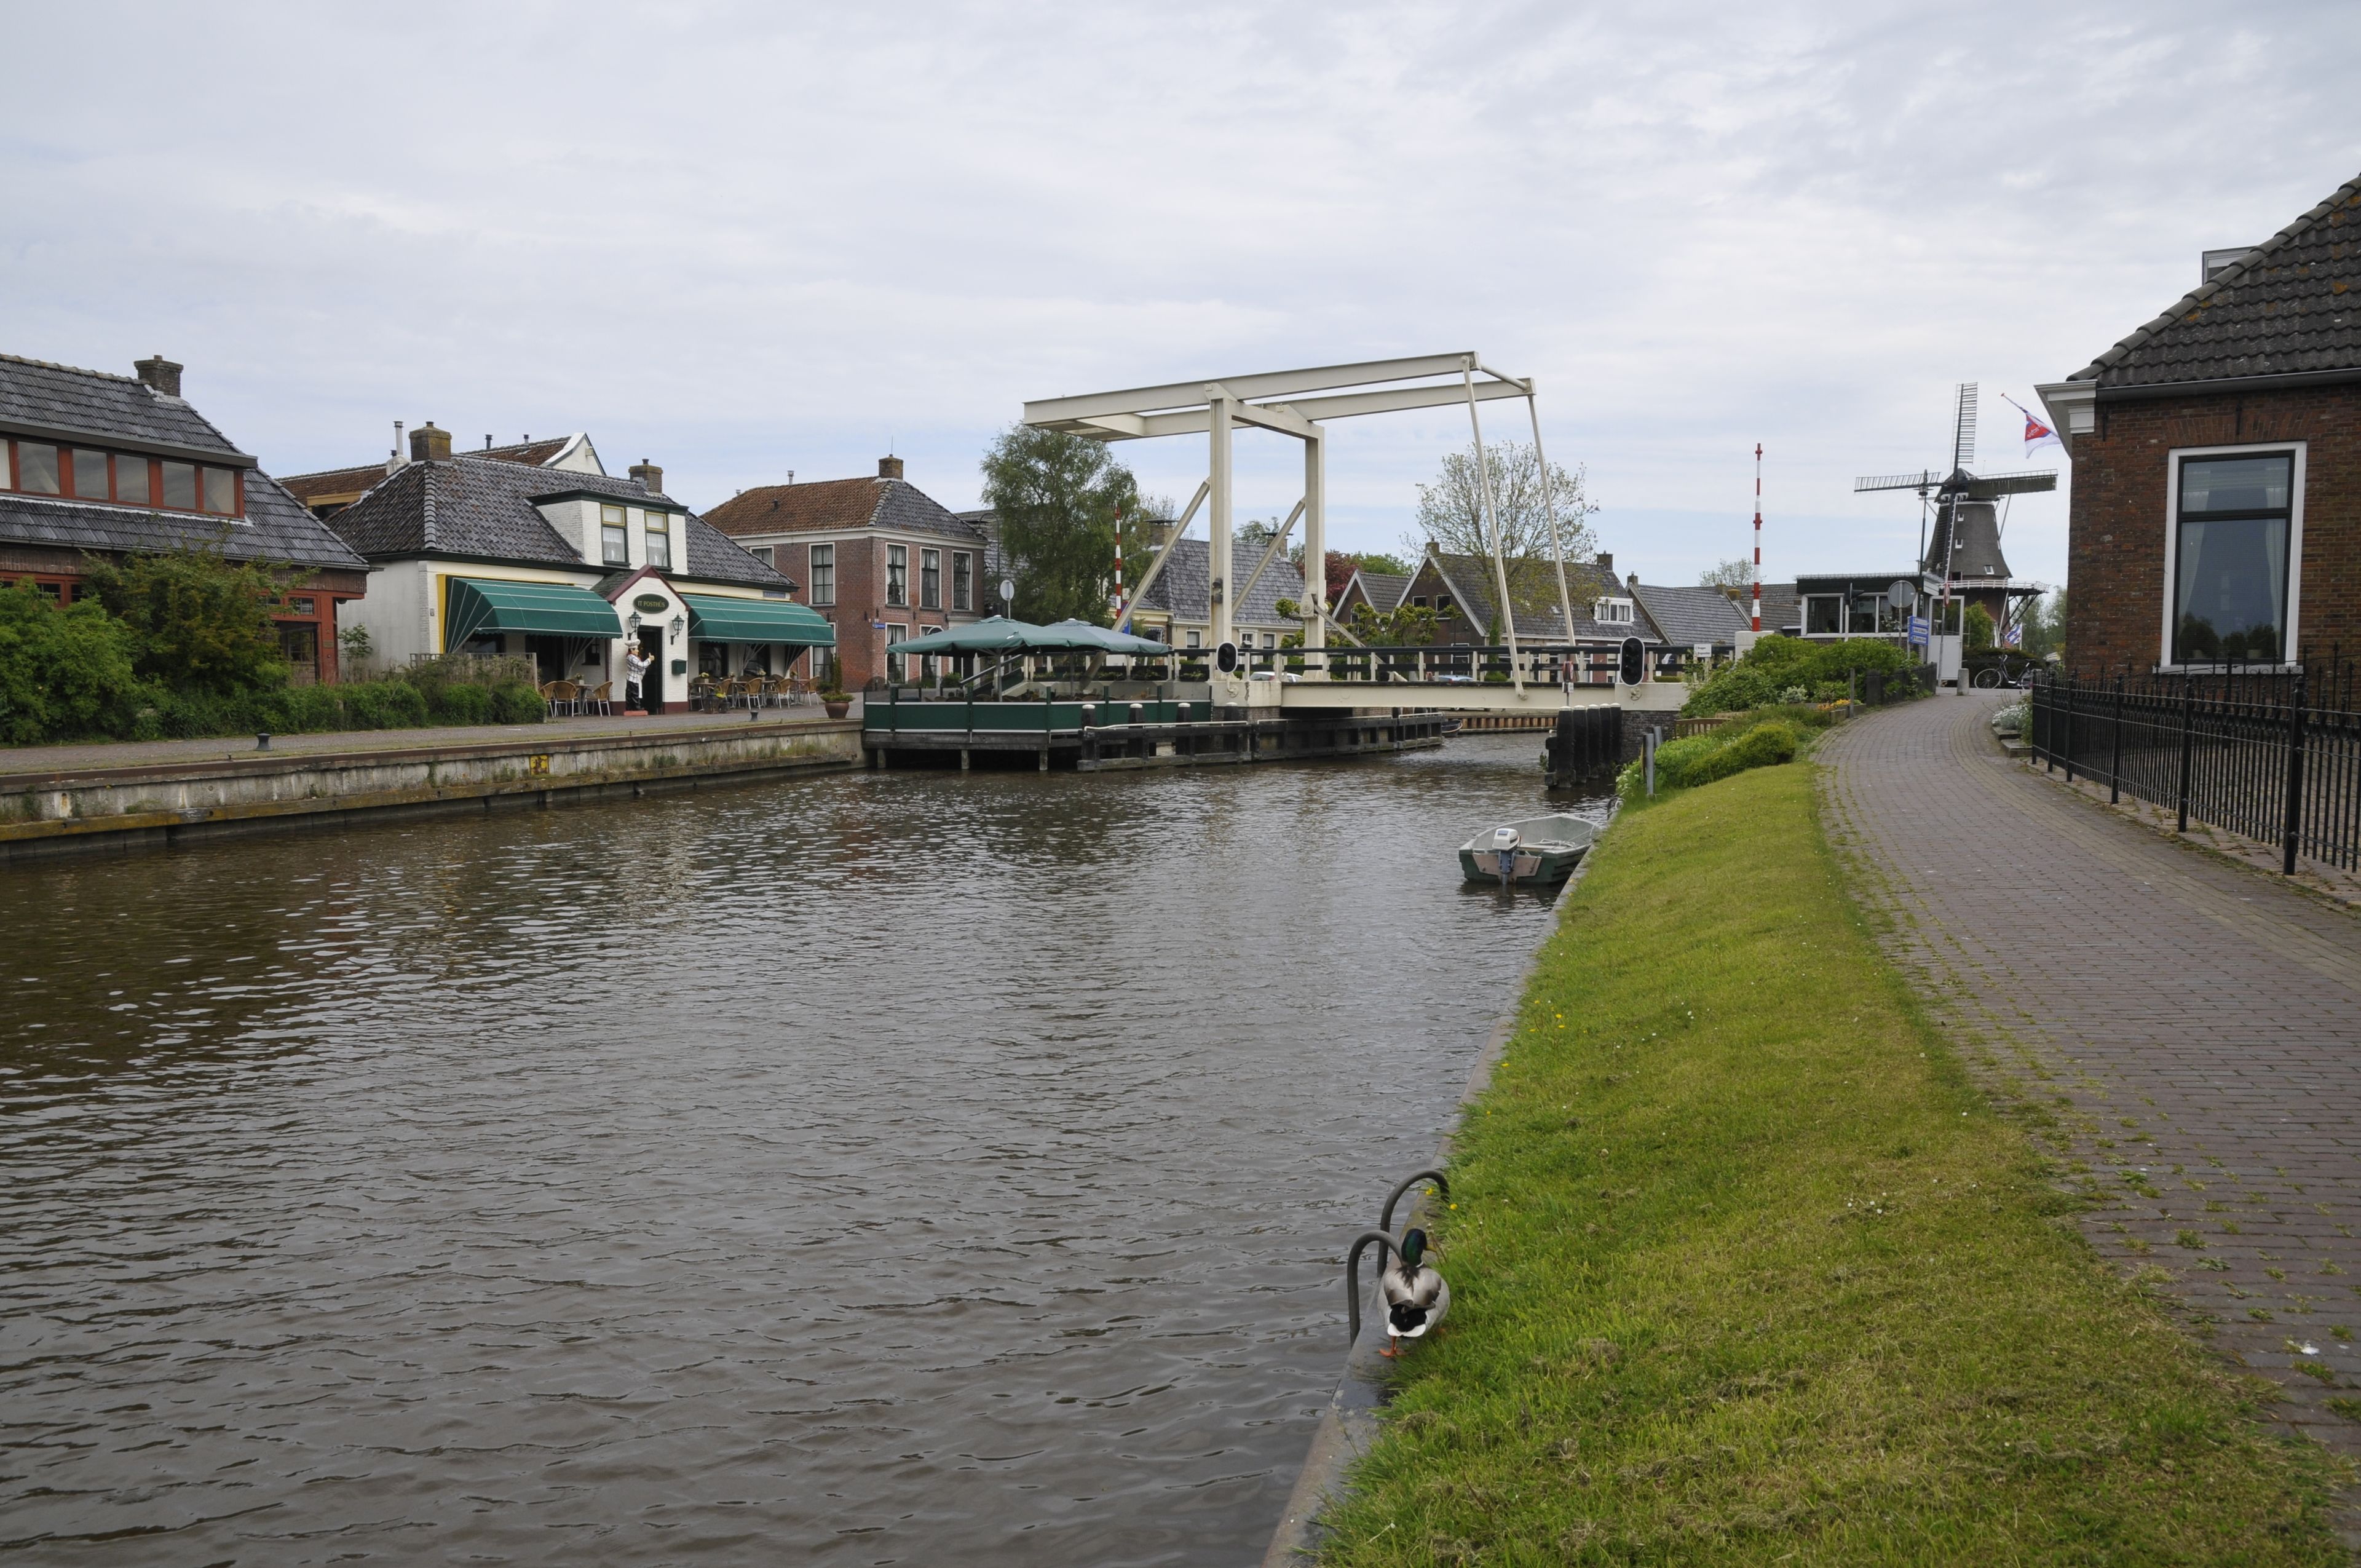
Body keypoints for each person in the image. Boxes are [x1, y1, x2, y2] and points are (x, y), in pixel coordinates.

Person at [625, 646, 653, 713]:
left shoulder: (632, 657)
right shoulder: (631, 657)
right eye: (636, 649)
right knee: (635, 692)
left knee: (632, 692)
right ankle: (636, 707)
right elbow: (641, 665)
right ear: (632, 650)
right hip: (634, 678)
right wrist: (649, 660)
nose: (638, 651)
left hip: (634, 678)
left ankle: (631, 707)